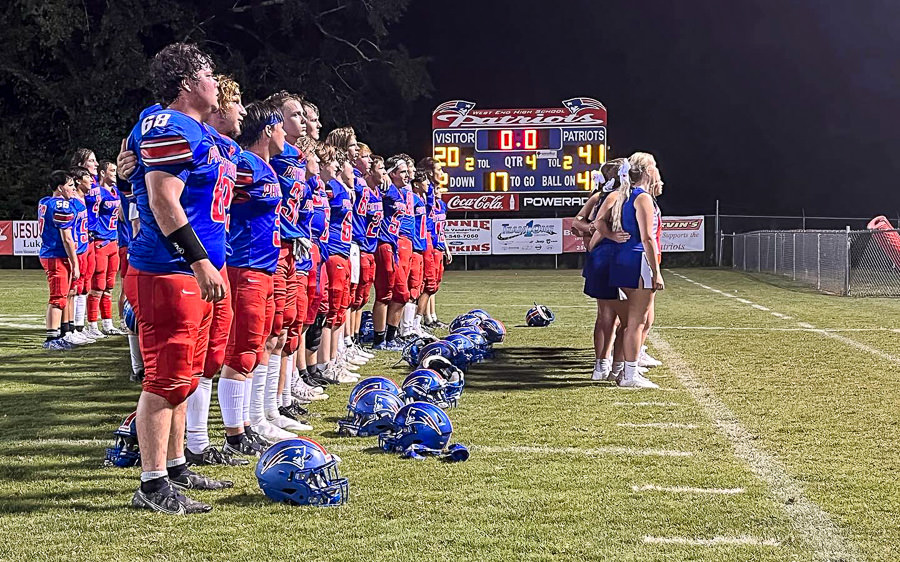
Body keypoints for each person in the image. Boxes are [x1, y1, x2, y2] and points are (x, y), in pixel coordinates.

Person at [124, 43, 233, 514]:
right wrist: (198, 259)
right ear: (188, 83)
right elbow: (163, 200)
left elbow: (136, 164)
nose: (217, 83)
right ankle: (151, 485)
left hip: (190, 266)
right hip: (169, 268)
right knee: (165, 378)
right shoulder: (170, 125)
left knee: (186, 375)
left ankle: (174, 465)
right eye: (209, 74)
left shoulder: (187, 128)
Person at [222, 100, 293, 456]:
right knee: (241, 351)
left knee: (260, 346)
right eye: (280, 126)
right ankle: (236, 433)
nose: (284, 134)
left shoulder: (265, 166)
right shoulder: (245, 164)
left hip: (263, 266)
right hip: (244, 265)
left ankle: (252, 421)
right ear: (268, 129)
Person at [183, 75, 248, 466]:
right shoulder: (180, 131)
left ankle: (199, 441)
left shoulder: (227, 148)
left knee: (210, 357)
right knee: (185, 362)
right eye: (236, 102)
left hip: (218, 259)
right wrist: (128, 171)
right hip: (188, 261)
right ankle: (188, 445)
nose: (241, 110)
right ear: (219, 105)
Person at [590, 152, 665, 389]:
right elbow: (648, 239)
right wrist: (656, 271)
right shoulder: (641, 197)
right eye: (653, 167)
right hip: (637, 260)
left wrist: (611, 237)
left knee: (628, 321)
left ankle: (620, 369)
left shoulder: (621, 194)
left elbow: (598, 222)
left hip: (620, 260)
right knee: (636, 322)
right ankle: (629, 374)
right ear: (645, 172)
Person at [575, 159, 630, 381]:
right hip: (610, 258)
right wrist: (603, 236)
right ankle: (615, 366)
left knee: (607, 316)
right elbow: (592, 224)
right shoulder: (614, 196)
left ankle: (603, 365)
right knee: (624, 319)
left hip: (602, 258)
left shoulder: (606, 196)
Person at [371, 155, 411, 350]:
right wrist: (384, 176)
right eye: (402, 171)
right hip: (383, 243)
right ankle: (379, 340)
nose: (407, 175)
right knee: (384, 294)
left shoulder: (402, 192)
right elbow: (374, 182)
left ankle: (390, 336)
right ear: (392, 173)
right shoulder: (386, 187)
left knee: (402, 294)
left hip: (393, 244)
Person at [38, 171, 79, 350]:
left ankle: (57, 335)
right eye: (70, 185)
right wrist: (75, 263)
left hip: (51, 253)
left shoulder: (45, 202)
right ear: (61, 188)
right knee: (58, 298)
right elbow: (67, 238)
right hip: (56, 255)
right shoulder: (61, 205)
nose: (73, 189)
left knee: (61, 296)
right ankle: (51, 338)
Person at [350, 142, 381, 345]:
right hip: (351, 244)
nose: (369, 160)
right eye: (366, 156)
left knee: (360, 297)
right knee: (347, 300)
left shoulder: (364, 183)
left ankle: (353, 340)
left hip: (365, 244)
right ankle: (347, 343)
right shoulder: (349, 178)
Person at [90, 161, 125, 336]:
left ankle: (107, 323)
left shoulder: (116, 191)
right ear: (102, 173)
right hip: (100, 241)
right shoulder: (98, 192)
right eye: (112, 170)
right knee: (98, 286)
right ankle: (91, 325)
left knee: (110, 286)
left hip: (113, 240)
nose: (115, 173)